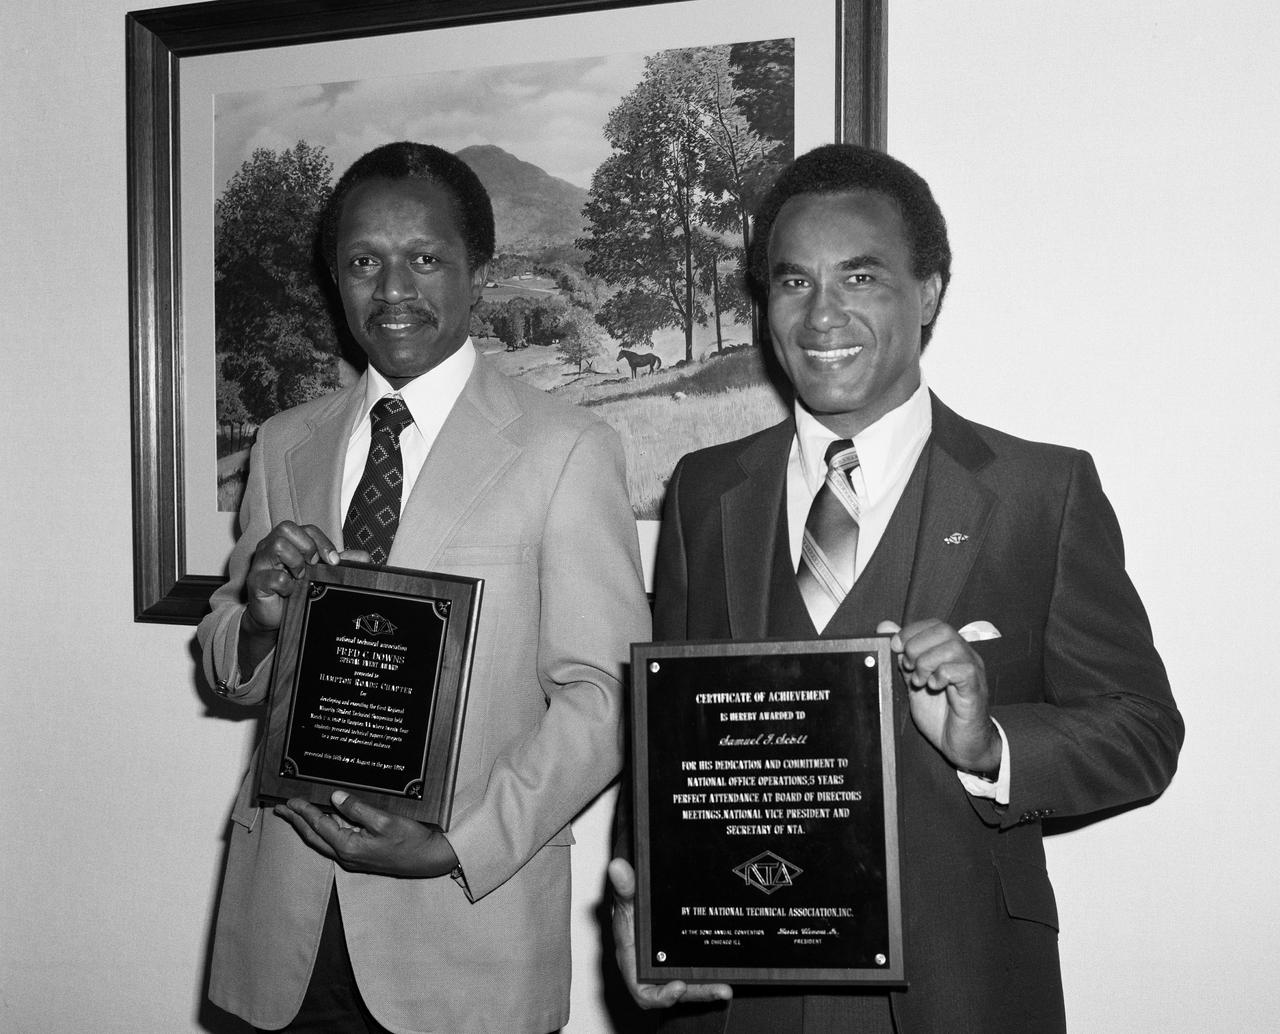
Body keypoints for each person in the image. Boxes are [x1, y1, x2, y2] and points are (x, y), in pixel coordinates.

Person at [608, 143, 1183, 1033]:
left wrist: (987, 742)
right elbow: (665, 729)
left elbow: (1142, 731)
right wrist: (640, 914)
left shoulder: (1042, 491)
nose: (822, 314)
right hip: (736, 999)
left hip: (957, 992)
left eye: (863, 276)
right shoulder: (703, 488)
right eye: (793, 282)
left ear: (931, 293)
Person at [197, 141, 650, 1034]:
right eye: (364, 262)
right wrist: (256, 619)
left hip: (463, 939)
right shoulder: (287, 442)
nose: (393, 289)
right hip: (283, 924)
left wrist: (453, 845)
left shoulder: (566, 449)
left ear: (478, 270)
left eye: (426, 259)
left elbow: (605, 698)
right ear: (335, 278)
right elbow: (226, 663)